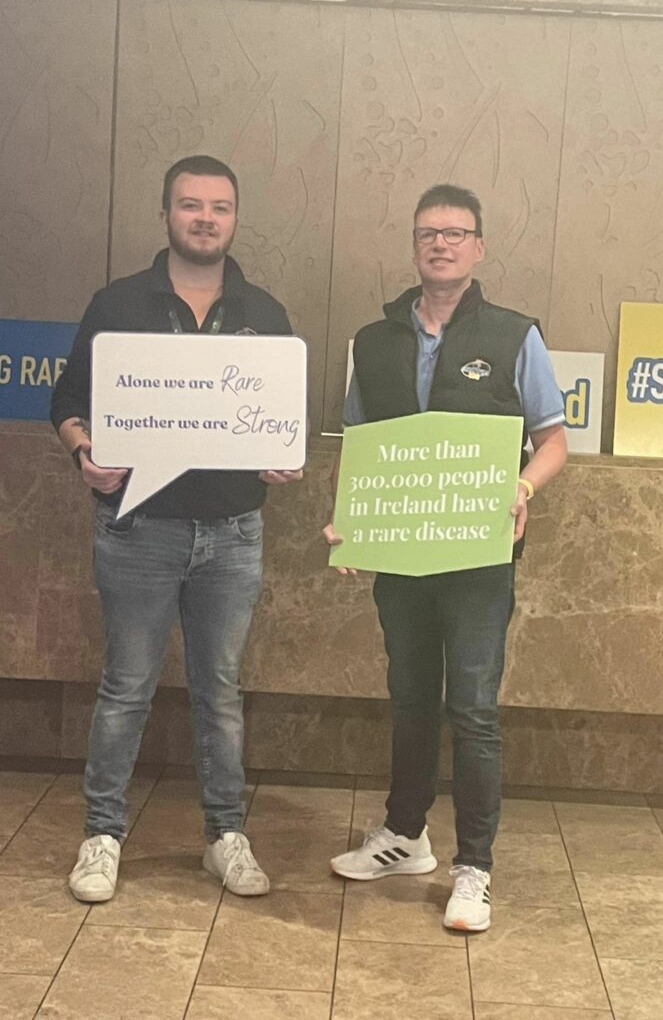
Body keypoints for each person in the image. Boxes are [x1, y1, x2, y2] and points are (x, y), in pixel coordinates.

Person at [51, 155, 302, 903]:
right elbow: (68, 400)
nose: (205, 218)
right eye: (190, 205)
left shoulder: (266, 312)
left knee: (219, 692)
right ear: (166, 214)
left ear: (235, 218)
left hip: (233, 533)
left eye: (219, 207)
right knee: (126, 688)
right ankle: (102, 836)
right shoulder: (118, 302)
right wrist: (83, 451)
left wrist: (280, 456)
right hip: (139, 530)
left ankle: (225, 835)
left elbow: (282, 419)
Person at [324, 184, 567, 932]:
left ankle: (474, 869)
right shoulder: (373, 341)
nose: (441, 243)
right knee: (410, 698)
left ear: (478, 247)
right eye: (429, 232)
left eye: (456, 233)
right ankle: (406, 835)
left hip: (479, 562)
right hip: (400, 557)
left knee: (472, 707)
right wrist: (349, 521)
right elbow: (359, 447)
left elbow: (553, 439)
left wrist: (523, 486)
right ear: (414, 244)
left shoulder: (514, 335)